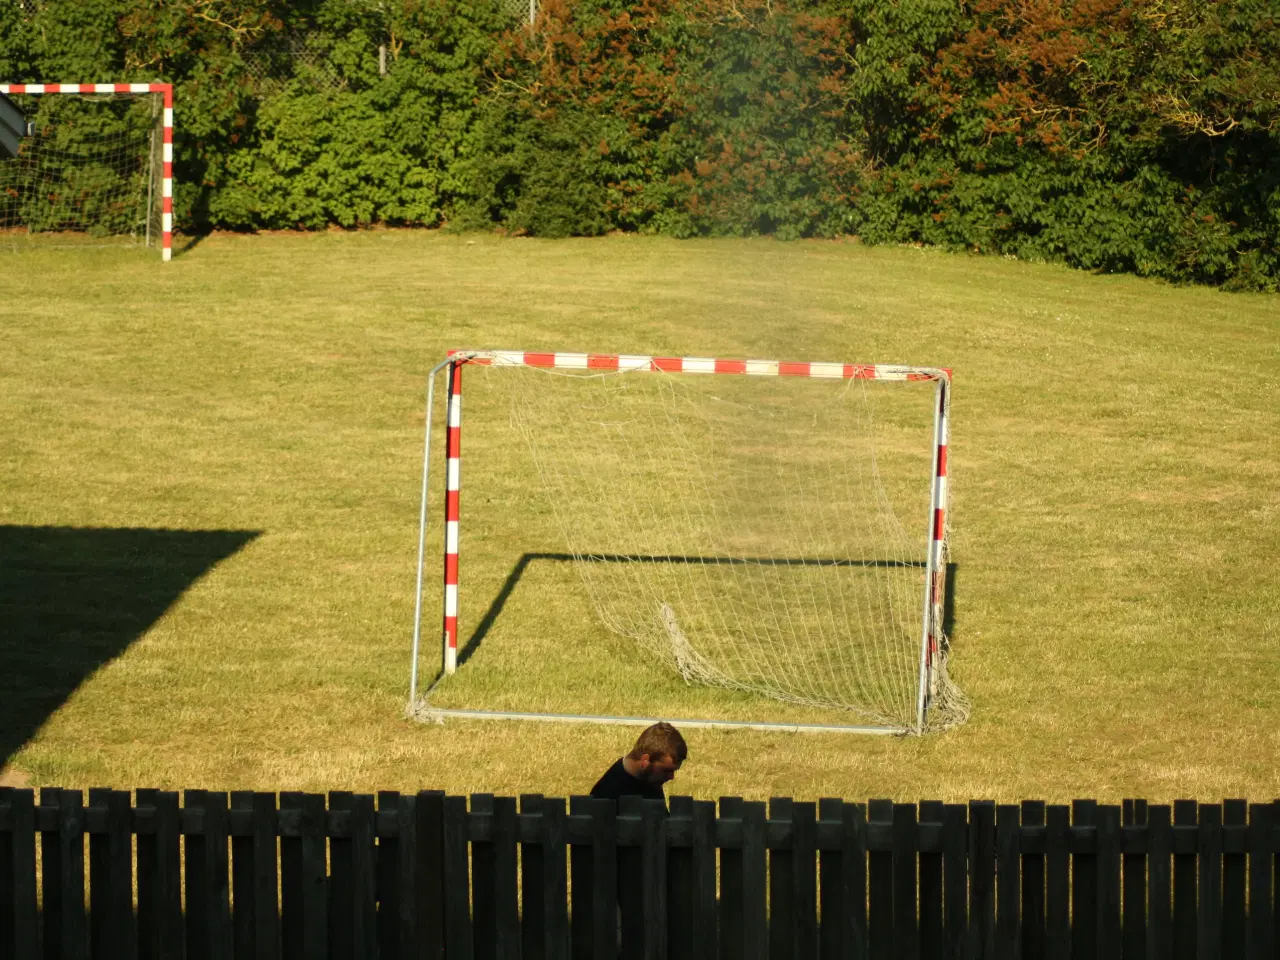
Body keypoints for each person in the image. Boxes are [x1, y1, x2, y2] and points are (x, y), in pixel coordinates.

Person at [590, 721, 687, 800]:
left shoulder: (650, 780)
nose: (671, 777)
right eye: (666, 770)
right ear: (645, 761)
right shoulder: (607, 794)